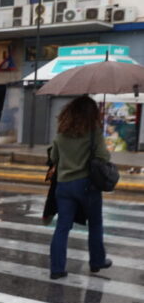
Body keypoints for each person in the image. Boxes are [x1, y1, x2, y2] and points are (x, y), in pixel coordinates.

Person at [48, 96, 112, 280]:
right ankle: (97, 261)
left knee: (62, 227)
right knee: (95, 223)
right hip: (86, 185)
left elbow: (53, 158)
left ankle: (57, 269)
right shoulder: (93, 132)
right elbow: (104, 157)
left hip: (64, 186)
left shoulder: (61, 133)